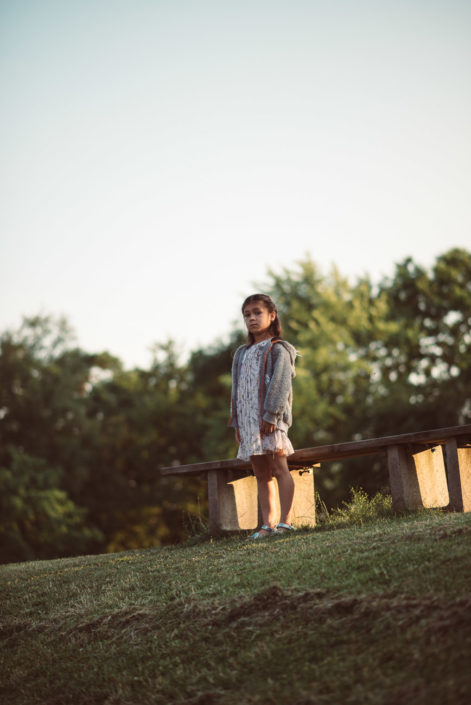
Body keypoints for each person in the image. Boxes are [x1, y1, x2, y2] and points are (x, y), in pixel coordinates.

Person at [228, 293, 297, 539]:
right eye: (247, 315)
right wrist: (237, 422)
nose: (252, 318)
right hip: (248, 423)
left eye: (257, 313)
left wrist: (271, 416)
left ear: (272, 315)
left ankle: (286, 522)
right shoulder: (241, 353)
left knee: (279, 468)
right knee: (261, 473)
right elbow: (236, 389)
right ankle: (267, 525)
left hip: (270, 421)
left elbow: (281, 384)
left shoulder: (279, 349)